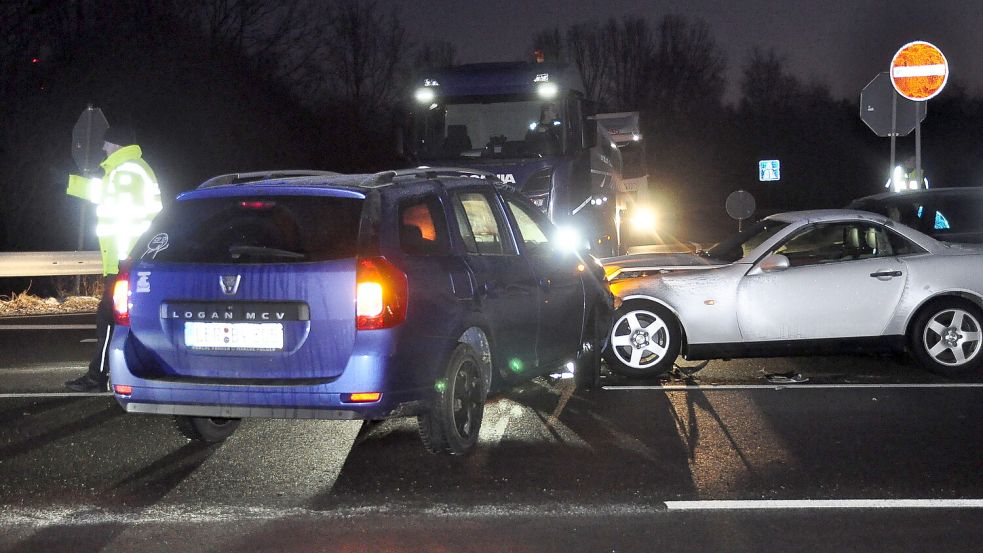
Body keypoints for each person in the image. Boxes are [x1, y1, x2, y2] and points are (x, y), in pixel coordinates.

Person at [64, 141, 162, 392]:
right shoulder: (127, 169)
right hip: (130, 260)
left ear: (116, 143)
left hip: (125, 260)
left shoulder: (126, 172)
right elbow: (105, 193)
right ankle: (122, 373)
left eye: (106, 141)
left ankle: (98, 376)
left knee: (108, 319)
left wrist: (122, 260)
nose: (102, 146)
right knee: (118, 320)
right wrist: (69, 182)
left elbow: (122, 215)